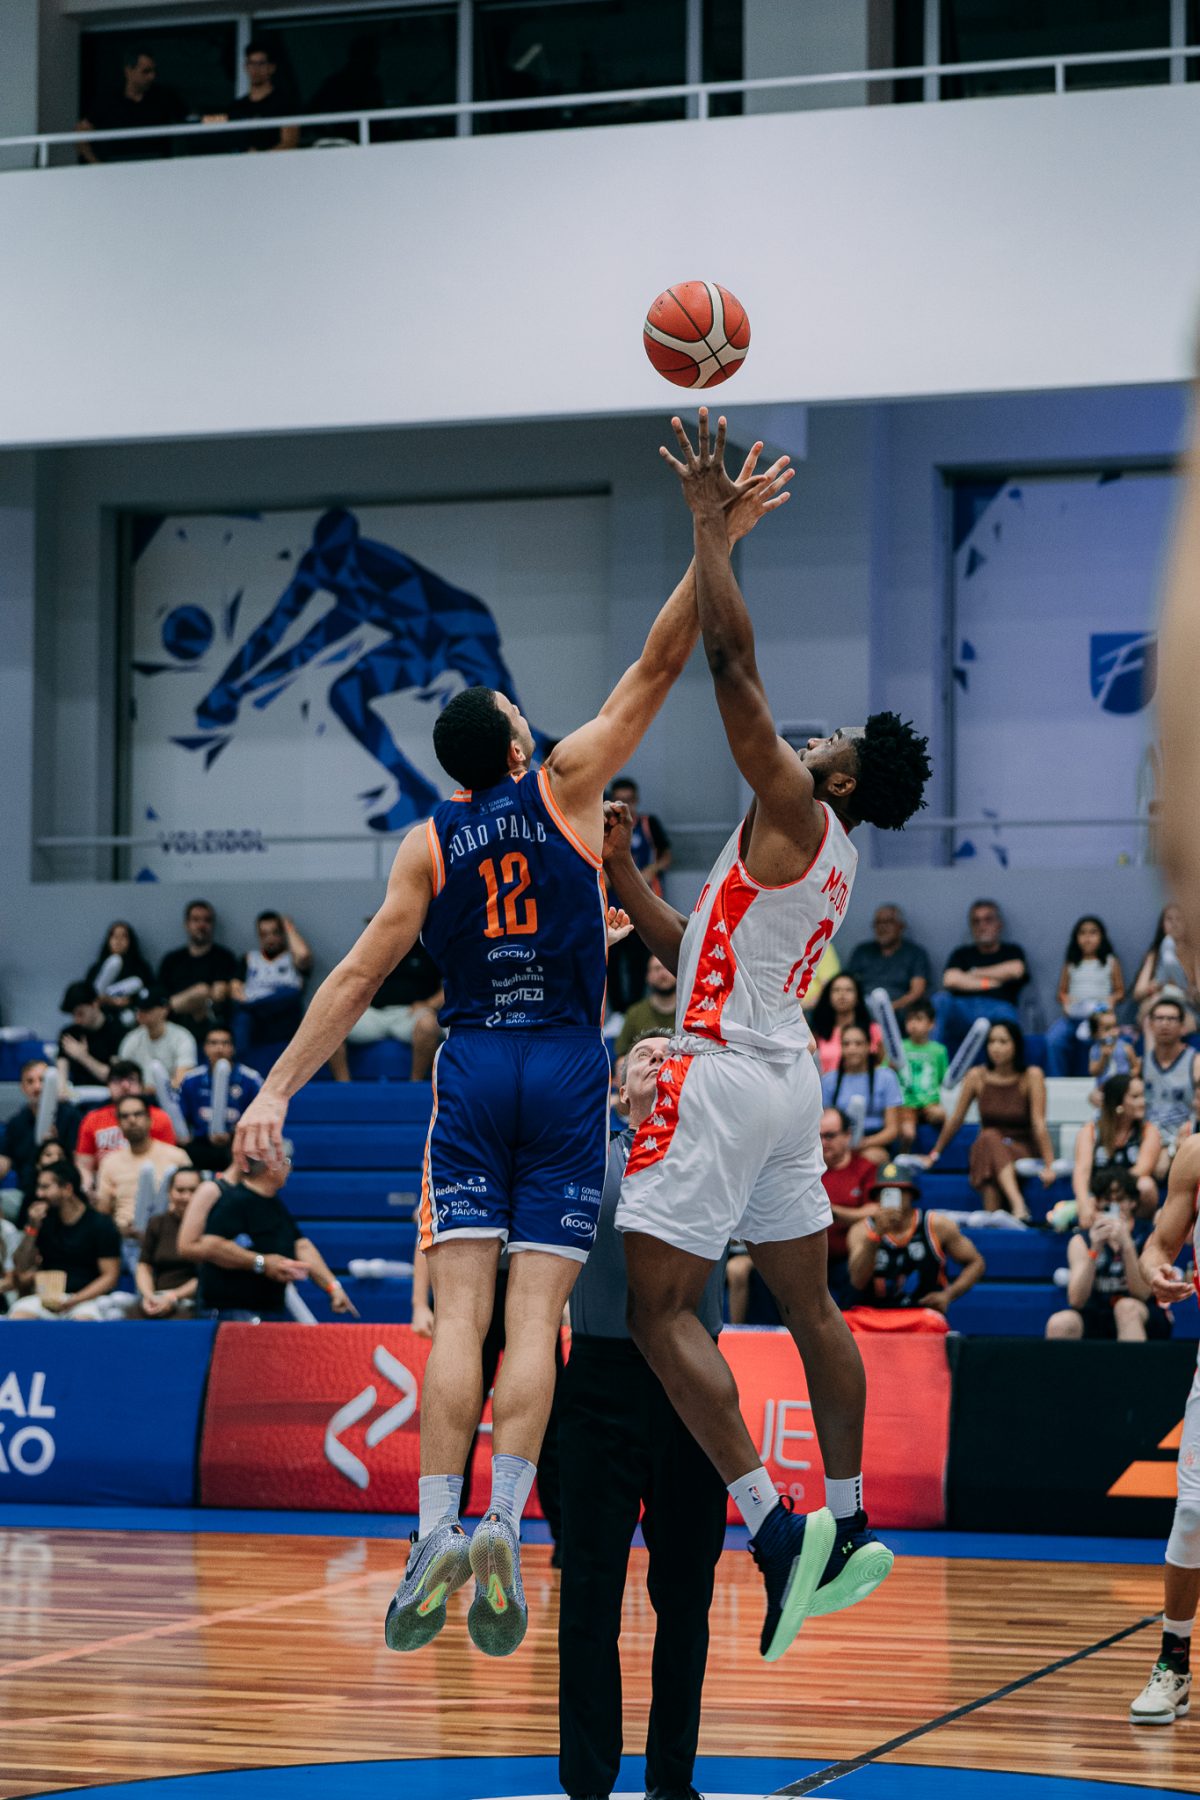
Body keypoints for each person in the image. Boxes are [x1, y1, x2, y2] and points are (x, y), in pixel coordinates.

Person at [231, 424, 793, 1660]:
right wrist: (715, 535)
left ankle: (436, 1530)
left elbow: (355, 976)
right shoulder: (569, 786)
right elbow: (660, 661)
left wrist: (274, 1090)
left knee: (460, 1321)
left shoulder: (427, 843)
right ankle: (500, 1520)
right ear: (521, 745)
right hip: (570, 1069)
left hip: (477, 1066)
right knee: (538, 1320)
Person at [605, 409, 931, 1663]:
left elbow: (733, 668)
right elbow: (698, 945)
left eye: (828, 744)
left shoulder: (792, 804)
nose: (808, 740)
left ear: (839, 780)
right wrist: (626, 880)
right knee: (811, 1307)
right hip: (783, 1074)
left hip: (725, 1077)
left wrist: (710, 526)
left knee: (657, 1313)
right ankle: (848, 1522)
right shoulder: (829, 856)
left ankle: (774, 1525)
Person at [557, 1031, 728, 1800]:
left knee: (686, 1595)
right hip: (599, 1381)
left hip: (694, 1387)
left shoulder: (720, 1157)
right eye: (646, 1053)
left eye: (673, 1052)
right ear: (620, 1087)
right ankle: (587, 1783)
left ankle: (672, 1782)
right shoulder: (583, 1159)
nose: (662, 1057)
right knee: (590, 1592)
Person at [1128, 1133, 1200, 1724]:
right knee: (1193, 1512)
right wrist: (1157, 1271)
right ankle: (1173, 1665)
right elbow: (1157, 1245)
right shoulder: (1195, 1154)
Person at [178, 1148, 351, 1321]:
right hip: (235, 1312)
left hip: (267, 1310)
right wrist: (262, 1262)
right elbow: (211, 1245)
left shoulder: (273, 1203)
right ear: (271, 1167)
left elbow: (300, 1245)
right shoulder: (233, 1201)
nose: (290, 1169)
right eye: (286, 1162)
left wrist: (333, 1287)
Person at [924, 1021, 1055, 1223]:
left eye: (1003, 1041)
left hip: (1021, 1148)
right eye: (992, 1042)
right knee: (988, 1139)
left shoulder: (1031, 1076)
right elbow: (956, 1119)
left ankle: (1011, 1209)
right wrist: (935, 1153)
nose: (996, 1047)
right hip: (989, 1148)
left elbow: (1039, 1123)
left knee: (987, 1140)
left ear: (1016, 1045)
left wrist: (1049, 1165)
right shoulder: (976, 1076)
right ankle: (1007, 1216)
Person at [844, 1164, 984, 1317]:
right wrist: (876, 1235)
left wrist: (948, 1295)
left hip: (922, 1315)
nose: (895, 1198)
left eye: (900, 1191)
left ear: (911, 1194)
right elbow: (857, 1282)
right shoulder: (861, 1230)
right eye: (885, 1192)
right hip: (873, 1316)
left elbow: (976, 1262)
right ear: (877, 1197)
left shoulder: (936, 1225)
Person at [1046, 1170, 1164, 1343]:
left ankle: (1133, 1362)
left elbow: (1142, 1293)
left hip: (1140, 1311)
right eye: (1107, 1199)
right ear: (1097, 1203)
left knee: (1125, 1308)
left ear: (1133, 1202)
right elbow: (1076, 1300)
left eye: (1120, 1199)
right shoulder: (1081, 1240)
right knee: (1061, 1322)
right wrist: (1095, 1249)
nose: (1114, 1205)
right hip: (1096, 1311)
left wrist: (1127, 1246)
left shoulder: (1148, 1236)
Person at [7, 1159, 121, 1320]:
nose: (39, 1194)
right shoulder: (43, 1221)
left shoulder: (100, 1224)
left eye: (45, 1187)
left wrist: (74, 1301)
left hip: (87, 1299)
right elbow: (21, 1266)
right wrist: (32, 1228)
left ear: (67, 1189)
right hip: (47, 1298)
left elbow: (110, 1277)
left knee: (83, 1322)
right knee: (19, 1316)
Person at [605, 776, 672, 1012]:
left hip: (642, 908)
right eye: (620, 800)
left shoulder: (647, 824)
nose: (625, 805)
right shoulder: (604, 826)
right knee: (611, 961)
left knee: (639, 962)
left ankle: (634, 1010)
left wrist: (650, 872)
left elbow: (666, 855)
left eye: (629, 800)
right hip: (611, 908)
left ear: (636, 800)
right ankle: (618, 1013)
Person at [95, 1095, 192, 1250]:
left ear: (150, 1120)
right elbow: (102, 1212)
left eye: (138, 1114)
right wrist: (120, 1229)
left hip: (170, 1236)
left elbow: (193, 1201)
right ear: (118, 1124)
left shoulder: (176, 1156)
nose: (132, 1120)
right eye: (125, 1116)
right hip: (126, 1239)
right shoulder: (110, 1162)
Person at [933, 901, 1029, 1058]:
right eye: (976, 921)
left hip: (999, 1007)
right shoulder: (962, 953)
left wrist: (973, 972)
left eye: (988, 920)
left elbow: (1016, 970)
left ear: (999, 924)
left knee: (1007, 1016)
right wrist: (990, 982)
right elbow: (950, 980)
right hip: (962, 1008)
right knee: (940, 1000)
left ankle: (1011, 1069)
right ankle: (932, 1056)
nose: (982, 926)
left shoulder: (1012, 951)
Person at [341, 940, 445, 1082]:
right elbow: (352, 981)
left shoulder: (432, 947)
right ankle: (343, 1084)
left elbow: (452, 986)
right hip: (373, 1013)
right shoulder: (370, 947)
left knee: (428, 1026)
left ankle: (415, 1084)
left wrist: (429, 1004)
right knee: (333, 1024)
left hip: (410, 1014)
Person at [1071, 1074, 1161, 1227]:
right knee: (1086, 1204)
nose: (1143, 1102)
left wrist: (1115, 1193)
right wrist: (1084, 1204)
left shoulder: (1149, 1131)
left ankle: (1140, 1230)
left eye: (1142, 1096)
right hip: (1099, 1195)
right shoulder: (1090, 1131)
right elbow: (1082, 1171)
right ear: (1118, 1101)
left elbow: (1142, 1169)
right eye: (1135, 1097)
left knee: (1146, 1185)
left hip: (1130, 1196)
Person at [74, 1059, 178, 1190]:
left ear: (142, 1086)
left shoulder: (159, 1117)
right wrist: (87, 1188)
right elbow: (84, 1165)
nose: (125, 1086)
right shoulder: (92, 1119)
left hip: (150, 1183)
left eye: (131, 1080)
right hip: (106, 1184)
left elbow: (168, 1159)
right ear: (108, 1086)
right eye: (117, 1081)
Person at [1046, 915, 1125, 1077]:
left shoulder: (1110, 962)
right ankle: (1057, 1080)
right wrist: (1066, 1001)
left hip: (1099, 1016)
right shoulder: (1071, 963)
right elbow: (1062, 992)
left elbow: (1120, 991)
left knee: (1096, 1039)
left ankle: (1100, 1079)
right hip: (1074, 1015)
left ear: (1102, 937)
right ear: (1076, 938)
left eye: (1093, 933)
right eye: (1082, 933)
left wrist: (1111, 1000)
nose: (1087, 938)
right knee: (1054, 1039)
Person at [178, 1026, 263, 1173]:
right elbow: (183, 1116)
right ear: (205, 1048)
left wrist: (234, 1132)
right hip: (201, 1143)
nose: (219, 1048)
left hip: (238, 1142)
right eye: (213, 1043)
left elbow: (259, 1116)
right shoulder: (191, 1079)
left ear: (233, 1048)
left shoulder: (251, 1079)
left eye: (225, 1043)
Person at [76, 47, 181, 164]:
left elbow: (189, 122)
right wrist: (97, 166)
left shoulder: (164, 97)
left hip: (157, 167)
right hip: (118, 169)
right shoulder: (108, 101)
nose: (152, 76)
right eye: (146, 71)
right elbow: (81, 134)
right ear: (129, 71)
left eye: (153, 71)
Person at [818, 1026, 903, 1166]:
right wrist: (841, 1144)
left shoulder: (886, 1077)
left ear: (869, 1046)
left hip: (873, 1141)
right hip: (837, 1141)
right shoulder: (828, 1080)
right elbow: (823, 1124)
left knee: (870, 1157)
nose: (852, 1049)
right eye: (846, 1044)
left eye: (858, 1044)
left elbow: (892, 1130)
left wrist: (862, 1143)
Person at [232, 911, 313, 1057]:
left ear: (282, 934)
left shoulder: (292, 958)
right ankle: (239, 1064)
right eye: (264, 934)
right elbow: (235, 990)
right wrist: (245, 1001)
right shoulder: (249, 958)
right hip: (257, 1020)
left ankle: (254, 1005)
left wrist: (289, 928)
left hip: (284, 1016)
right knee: (242, 1016)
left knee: (292, 992)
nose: (270, 939)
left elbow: (304, 955)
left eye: (275, 933)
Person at [818, 1107, 878, 1302]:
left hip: (847, 1258)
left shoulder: (865, 1168)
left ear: (847, 1135)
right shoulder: (805, 1171)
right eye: (818, 1137)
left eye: (829, 1136)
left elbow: (875, 1211)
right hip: (808, 1258)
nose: (823, 1143)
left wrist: (834, 1212)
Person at [0, 1060, 81, 1199]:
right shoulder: (16, 1123)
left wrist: (55, 1145)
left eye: (42, 1080)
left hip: (64, 1190)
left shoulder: (70, 1116)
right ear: (22, 1087)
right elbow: (4, 1160)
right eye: (30, 1081)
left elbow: (79, 1160)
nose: (37, 1087)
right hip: (26, 1192)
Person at [158, 900, 240, 1032]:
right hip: (172, 1025)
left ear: (212, 925)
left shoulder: (224, 958)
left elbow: (220, 994)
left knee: (203, 991)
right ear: (187, 924)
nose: (201, 925)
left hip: (210, 1025)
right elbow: (161, 998)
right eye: (196, 920)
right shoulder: (171, 960)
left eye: (207, 920)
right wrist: (195, 998)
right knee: (201, 991)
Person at [208, 42, 300, 154]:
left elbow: (290, 141)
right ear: (246, 67)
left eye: (261, 63)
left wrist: (259, 158)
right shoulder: (237, 107)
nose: (255, 69)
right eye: (251, 63)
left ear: (271, 68)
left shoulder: (284, 103)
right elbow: (221, 131)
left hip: (273, 163)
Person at [1142, 997, 1200, 1174]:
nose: (1165, 1024)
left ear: (1183, 1026)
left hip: (1184, 1136)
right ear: (1151, 1025)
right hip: (1147, 1137)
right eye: (1159, 1018)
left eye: (1171, 1019)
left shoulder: (1195, 1062)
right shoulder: (1140, 1064)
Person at [136, 1166, 202, 1318]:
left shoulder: (210, 1225)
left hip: (192, 1301)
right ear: (169, 1192)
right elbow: (144, 1266)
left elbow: (206, 1276)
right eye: (180, 1190)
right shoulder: (157, 1223)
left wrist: (173, 1296)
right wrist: (149, 1296)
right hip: (158, 1297)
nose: (186, 1197)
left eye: (193, 1190)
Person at [846, 905, 932, 1019]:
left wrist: (890, 1008)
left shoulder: (915, 953)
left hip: (900, 1010)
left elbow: (917, 991)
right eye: (878, 923)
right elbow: (848, 983)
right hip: (864, 1008)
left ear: (901, 926)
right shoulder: (862, 951)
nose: (882, 927)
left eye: (888, 922)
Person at [118, 988, 198, 1088]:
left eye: (147, 1009)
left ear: (165, 1009)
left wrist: (153, 1089)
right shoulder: (131, 1039)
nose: (141, 1013)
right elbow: (121, 1077)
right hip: (138, 1095)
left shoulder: (182, 1038)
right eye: (139, 1009)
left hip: (171, 1095)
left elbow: (182, 1081)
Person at [896, 998, 948, 1150]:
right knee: (908, 1133)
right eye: (910, 1019)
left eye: (919, 1019)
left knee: (943, 1116)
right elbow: (887, 1073)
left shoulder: (939, 1050)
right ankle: (902, 1157)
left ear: (931, 1024)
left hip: (930, 1102)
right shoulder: (899, 1047)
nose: (913, 1024)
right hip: (906, 1103)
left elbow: (943, 1080)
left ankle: (935, 1154)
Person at [1132, 904, 1197, 1023]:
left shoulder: (1195, 955)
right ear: (1162, 924)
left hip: (1185, 1007)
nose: (1174, 924)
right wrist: (1154, 987)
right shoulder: (1153, 955)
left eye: (1179, 919)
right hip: (1157, 1004)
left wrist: (1188, 990)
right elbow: (1138, 993)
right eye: (1169, 919)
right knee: (1149, 1015)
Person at [809, 972, 882, 1076]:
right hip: (826, 1084)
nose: (842, 995)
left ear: (858, 996)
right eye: (836, 990)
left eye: (849, 990)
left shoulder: (874, 1030)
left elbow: (882, 1064)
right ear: (828, 997)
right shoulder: (818, 1031)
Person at [57, 982, 125, 1091]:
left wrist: (83, 1057)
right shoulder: (69, 1034)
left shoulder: (117, 1032)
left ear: (94, 1004)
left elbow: (114, 1076)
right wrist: (62, 1090)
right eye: (73, 1015)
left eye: (80, 1013)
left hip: (107, 1092)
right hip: (78, 1093)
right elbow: (61, 1076)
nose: (77, 1020)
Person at [86, 920, 155, 1022]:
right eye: (114, 936)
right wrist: (108, 1000)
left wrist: (129, 1000)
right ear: (108, 940)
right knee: (115, 961)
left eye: (124, 936)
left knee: (136, 982)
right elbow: (86, 995)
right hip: (101, 1013)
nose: (118, 940)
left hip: (131, 1013)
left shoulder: (140, 968)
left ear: (130, 941)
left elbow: (149, 992)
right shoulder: (96, 969)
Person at [613, 955, 678, 1061]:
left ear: (678, 973)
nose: (663, 974)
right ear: (648, 976)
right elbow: (621, 1057)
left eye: (667, 968)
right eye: (657, 969)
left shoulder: (690, 1012)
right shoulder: (635, 1013)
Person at [1087, 1006, 1141, 1091]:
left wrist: (1129, 1076)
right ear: (1095, 1033)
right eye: (1107, 1029)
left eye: (1115, 1027)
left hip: (1123, 1089)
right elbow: (1093, 1072)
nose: (1113, 1032)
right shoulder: (1095, 1049)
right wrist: (1103, 1057)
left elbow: (1136, 1067)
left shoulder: (1126, 1047)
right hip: (1103, 1089)